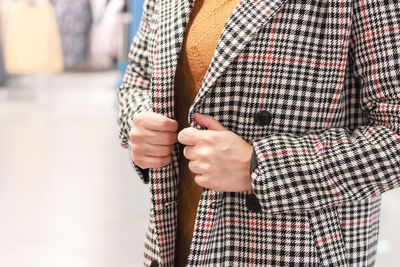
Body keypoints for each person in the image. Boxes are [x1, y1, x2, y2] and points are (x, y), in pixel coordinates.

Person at [117, 0, 400, 266]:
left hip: (294, 247)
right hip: (175, 241)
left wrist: (262, 166)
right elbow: (139, 76)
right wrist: (138, 123)